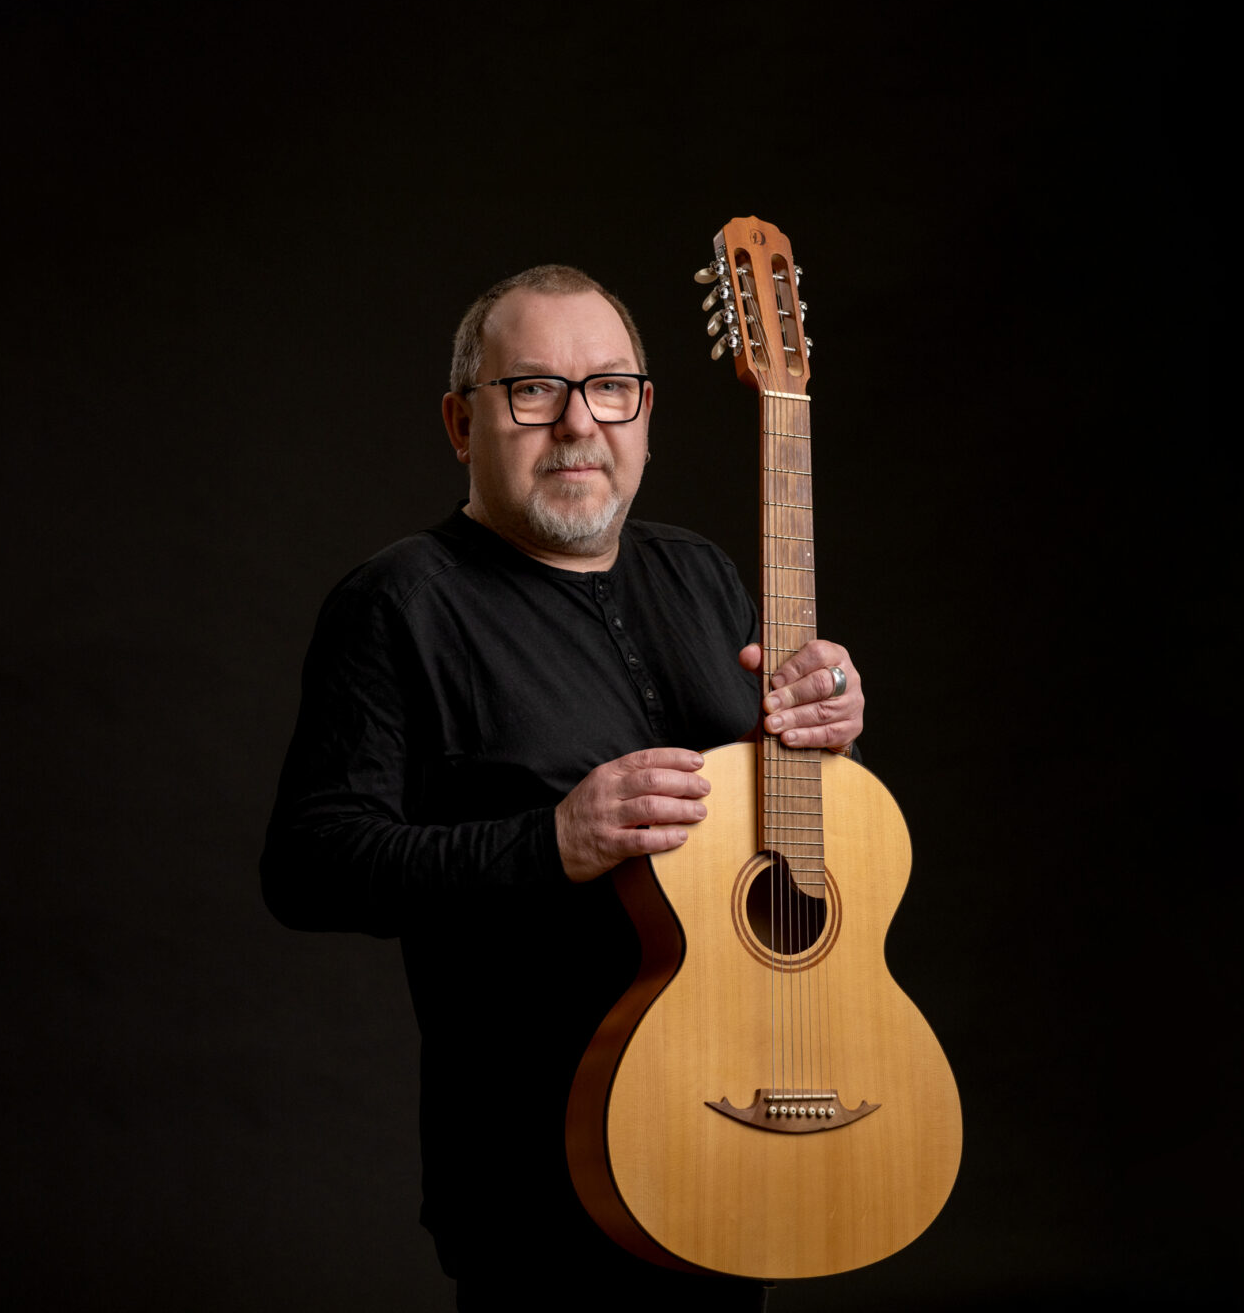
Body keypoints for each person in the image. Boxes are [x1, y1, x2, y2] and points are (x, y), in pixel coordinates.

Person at [262, 264, 867, 1310]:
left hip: (739, 1119)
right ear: (462, 423)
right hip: (542, 1181)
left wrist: (825, 742)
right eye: (534, 389)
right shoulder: (397, 604)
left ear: (646, 415)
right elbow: (308, 868)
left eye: (610, 388)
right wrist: (551, 842)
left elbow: (768, 846)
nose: (578, 423)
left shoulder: (703, 576)